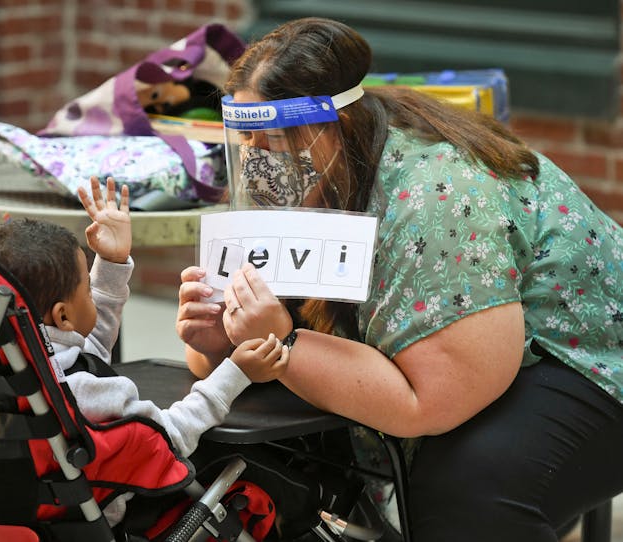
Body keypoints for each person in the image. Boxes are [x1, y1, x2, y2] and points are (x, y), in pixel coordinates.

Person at [175, 17, 623, 542]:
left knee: (465, 493)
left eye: (270, 137)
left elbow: (428, 401)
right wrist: (222, 340)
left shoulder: (437, 195)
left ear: (331, 125)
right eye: (243, 137)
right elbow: (269, 342)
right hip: (492, 356)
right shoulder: (326, 172)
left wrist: (282, 341)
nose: (255, 160)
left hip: (586, 357)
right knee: (262, 441)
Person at [0, 175, 290, 530]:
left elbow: (85, 351)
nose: (94, 296)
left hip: (5, 515)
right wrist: (236, 372)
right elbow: (169, 439)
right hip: (100, 514)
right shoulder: (89, 392)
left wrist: (111, 261)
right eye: (88, 292)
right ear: (62, 316)